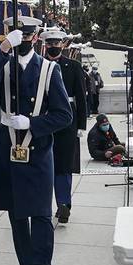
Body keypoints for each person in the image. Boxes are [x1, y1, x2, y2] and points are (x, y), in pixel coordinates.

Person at [0, 16, 73, 265]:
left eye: (25, 36)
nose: (22, 40)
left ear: (34, 38)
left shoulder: (49, 69)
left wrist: (32, 123)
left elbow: (63, 116)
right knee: (17, 214)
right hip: (9, 147)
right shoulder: (4, 65)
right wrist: (4, 47)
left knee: (42, 215)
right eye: (15, 35)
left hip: (38, 149)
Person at [41, 30, 87, 225]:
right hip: (43, 119)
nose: (54, 46)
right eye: (50, 43)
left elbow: (81, 96)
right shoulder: (38, 65)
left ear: (62, 45)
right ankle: (42, 206)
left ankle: (64, 205)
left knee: (64, 165)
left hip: (67, 120)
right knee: (43, 164)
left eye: (57, 43)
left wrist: (81, 124)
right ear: (45, 45)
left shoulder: (73, 66)